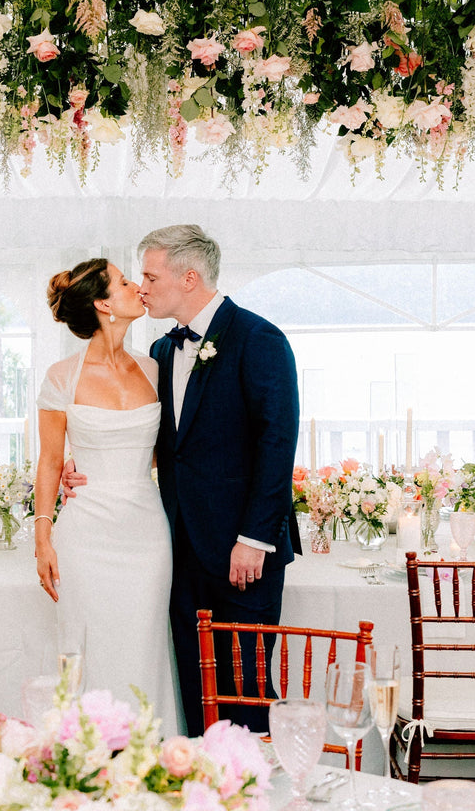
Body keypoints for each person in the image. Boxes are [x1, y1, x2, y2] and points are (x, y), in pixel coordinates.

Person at [64, 224, 299, 735]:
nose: (142, 287)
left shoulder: (259, 339)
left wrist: (254, 540)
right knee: (194, 690)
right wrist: (85, 465)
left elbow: (277, 446)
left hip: (243, 553)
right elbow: (164, 446)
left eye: (149, 275)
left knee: (246, 691)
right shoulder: (163, 353)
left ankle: (250, 799)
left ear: (189, 277)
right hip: (177, 549)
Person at [33, 257, 181, 734]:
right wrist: (43, 536)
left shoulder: (156, 368)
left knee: (144, 645)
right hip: (85, 536)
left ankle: (152, 765)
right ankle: (88, 769)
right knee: (88, 650)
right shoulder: (62, 377)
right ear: (103, 304)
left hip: (145, 531)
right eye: (123, 281)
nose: (137, 286)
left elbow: (163, 453)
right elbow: (51, 462)